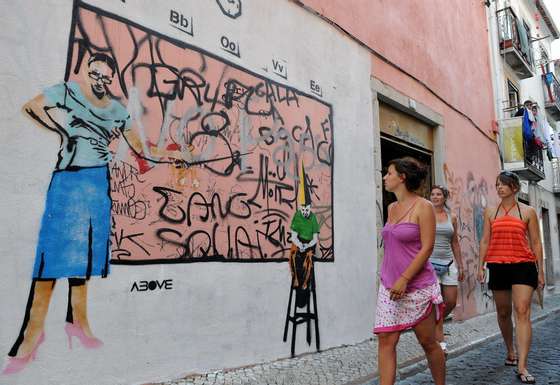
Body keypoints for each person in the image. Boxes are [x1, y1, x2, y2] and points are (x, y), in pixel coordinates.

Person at [3, 52, 184, 375]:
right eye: (94, 74)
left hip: (97, 181)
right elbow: (32, 106)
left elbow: (143, 149)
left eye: (104, 76)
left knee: (85, 256)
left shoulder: (116, 111)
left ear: (112, 78)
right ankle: (33, 331)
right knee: (51, 255)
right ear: (87, 73)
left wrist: (175, 154)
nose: (99, 80)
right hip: (67, 179)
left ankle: (79, 322)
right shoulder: (69, 92)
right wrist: (62, 132)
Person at [374, 157, 445, 385]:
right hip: (389, 286)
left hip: (416, 286)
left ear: (402, 177)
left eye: (389, 173)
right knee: (386, 339)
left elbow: (427, 247)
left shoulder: (424, 206)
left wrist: (404, 278)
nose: (385, 177)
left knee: (428, 342)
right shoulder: (391, 207)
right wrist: (390, 277)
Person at [477, 171, 544, 384]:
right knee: (504, 312)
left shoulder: (528, 211)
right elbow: (485, 241)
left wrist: (540, 270)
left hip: (523, 265)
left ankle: (523, 365)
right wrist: (481, 265)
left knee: (522, 311)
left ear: (514, 188)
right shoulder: (490, 212)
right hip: (498, 265)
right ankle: (510, 349)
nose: (499, 188)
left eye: (503, 184)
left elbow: (536, 242)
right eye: (497, 184)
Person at [428, 185, 465, 355]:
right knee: (436, 303)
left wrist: (460, 264)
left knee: (450, 301)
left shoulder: (452, 217)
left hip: (449, 263)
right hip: (429, 264)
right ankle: (440, 342)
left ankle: (434, 325)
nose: (435, 197)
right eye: (433, 194)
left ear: (444, 197)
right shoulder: (425, 214)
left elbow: (455, 242)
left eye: (438, 194)